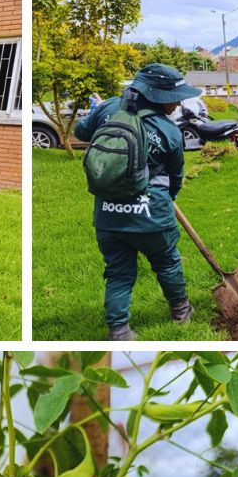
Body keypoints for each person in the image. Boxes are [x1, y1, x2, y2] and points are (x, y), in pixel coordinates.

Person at [74, 63, 198, 341]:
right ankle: (181, 312)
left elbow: (82, 132)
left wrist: (100, 113)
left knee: (118, 274)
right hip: (152, 217)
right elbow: (176, 177)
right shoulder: (169, 131)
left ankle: (119, 331)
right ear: (158, 97)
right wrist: (169, 199)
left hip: (108, 216)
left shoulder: (109, 108)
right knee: (167, 263)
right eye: (175, 98)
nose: (178, 104)